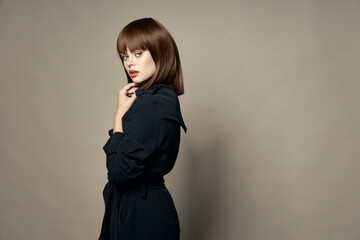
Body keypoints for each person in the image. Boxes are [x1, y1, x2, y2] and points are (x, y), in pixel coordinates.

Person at [99, 17, 187, 240]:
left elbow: (119, 173)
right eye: (125, 56)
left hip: (139, 215)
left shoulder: (150, 103)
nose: (130, 63)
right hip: (150, 210)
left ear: (160, 52)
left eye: (138, 53)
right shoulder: (165, 98)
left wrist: (118, 117)